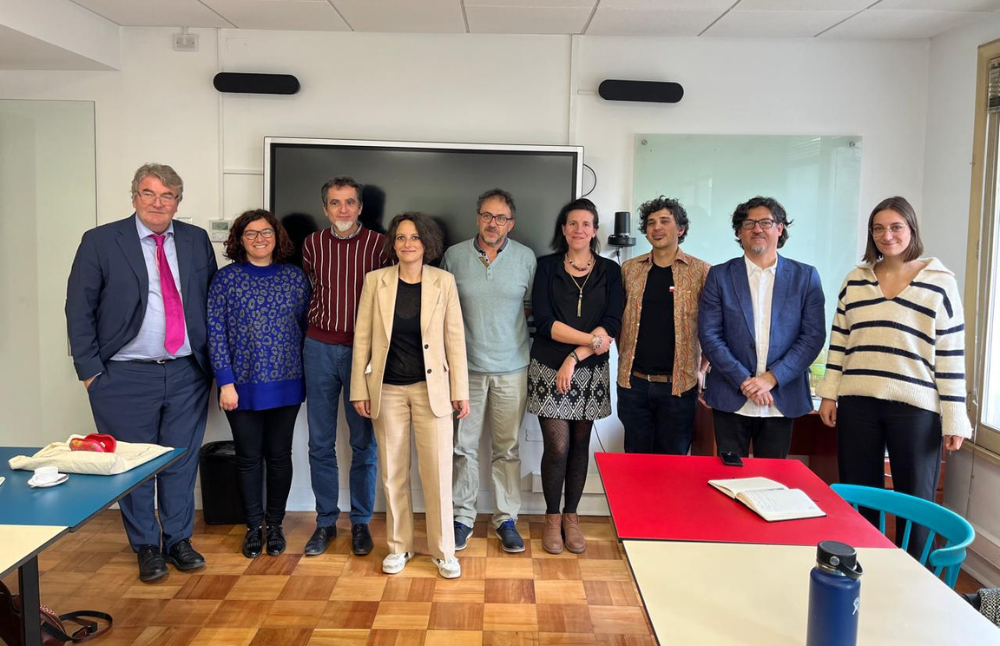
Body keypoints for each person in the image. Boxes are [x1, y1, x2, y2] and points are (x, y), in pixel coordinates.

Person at [65, 163, 217, 582]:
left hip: (187, 372)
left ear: (178, 202)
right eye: (149, 194)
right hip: (123, 376)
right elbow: (79, 308)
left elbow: (210, 303)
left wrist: (214, 367)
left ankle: (178, 540)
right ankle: (146, 546)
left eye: (168, 196)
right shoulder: (100, 241)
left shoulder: (195, 239)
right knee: (132, 465)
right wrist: (91, 372)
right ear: (134, 197)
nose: (158, 203)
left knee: (179, 462)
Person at [817, 196, 971, 557]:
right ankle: (861, 561)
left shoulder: (939, 282)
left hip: (915, 407)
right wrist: (829, 394)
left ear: (911, 230)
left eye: (896, 227)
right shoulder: (855, 280)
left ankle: (916, 573)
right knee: (858, 490)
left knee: (915, 497)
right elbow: (839, 342)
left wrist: (955, 416)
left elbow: (950, 354)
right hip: (858, 403)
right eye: (879, 228)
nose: (887, 235)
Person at [350, 212, 470, 579]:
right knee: (392, 472)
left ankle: (444, 551)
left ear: (427, 243)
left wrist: (459, 392)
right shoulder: (376, 281)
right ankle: (399, 547)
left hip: (431, 391)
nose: (407, 244)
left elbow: (454, 340)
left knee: (436, 473)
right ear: (393, 243)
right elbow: (363, 339)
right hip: (386, 390)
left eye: (414, 237)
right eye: (400, 237)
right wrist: (359, 388)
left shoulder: (443, 282)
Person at [208, 210, 311, 559]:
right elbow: (216, 334)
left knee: (280, 457)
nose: (259, 239)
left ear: (276, 236)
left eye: (265, 232)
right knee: (249, 459)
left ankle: (276, 525)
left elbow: (303, 328)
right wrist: (225, 382)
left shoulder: (295, 278)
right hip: (241, 385)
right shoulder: (225, 280)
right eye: (250, 233)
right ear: (240, 239)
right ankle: (254, 527)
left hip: (287, 382)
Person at [441, 189, 536, 553]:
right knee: (463, 447)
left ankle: (506, 518)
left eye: (500, 217)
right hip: (466, 369)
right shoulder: (454, 256)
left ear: (511, 223)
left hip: (513, 368)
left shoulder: (526, 258)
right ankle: (462, 517)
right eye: (486, 215)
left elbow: (531, 309)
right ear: (477, 217)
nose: (492, 223)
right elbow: (444, 310)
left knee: (507, 448)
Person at [528, 198, 623, 555]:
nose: (579, 229)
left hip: (590, 370)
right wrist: (588, 342)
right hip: (548, 368)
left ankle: (572, 517)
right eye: (572, 223)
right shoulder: (546, 266)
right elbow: (545, 321)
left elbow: (612, 322)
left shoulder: (611, 272)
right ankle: (552, 518)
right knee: (558, 446)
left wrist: (577, 355)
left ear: (595, 230)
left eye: (586, 224)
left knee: (580, 446)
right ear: (563, 230)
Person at [698, 196, 825, 459]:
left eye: (766, 222)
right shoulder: (720, 276)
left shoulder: (805, 277)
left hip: (780, 395)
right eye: (749, 223)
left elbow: (812, 336)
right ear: (739, 232)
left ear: (780, 229)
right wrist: (745, 381)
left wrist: (770, 379)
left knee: (773, 481)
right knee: (729, 478)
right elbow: (710, 335)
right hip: (731, 396)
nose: (757, 229)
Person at [301, 177, 389, 557]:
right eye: (335, 203)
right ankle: (325, 522)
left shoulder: (380, 245)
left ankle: (360, 523)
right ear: (325, 209)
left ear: (360, 207)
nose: (343, 210)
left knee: (363, 443)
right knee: (320, 442)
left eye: (350, 203)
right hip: (318, 347)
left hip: (364, 352)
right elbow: (308, 288)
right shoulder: (312, 244)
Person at [617, 196, 711, 455]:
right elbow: (617, 323)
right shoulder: (629, 270)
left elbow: (712, 326)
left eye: (664, 221)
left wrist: (703, 368)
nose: (656, 227)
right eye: (650, 223)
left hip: (679, 387)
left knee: (673, 467)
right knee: (634, 464)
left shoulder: (701, 272)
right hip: (633, 385)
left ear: (680, 229)